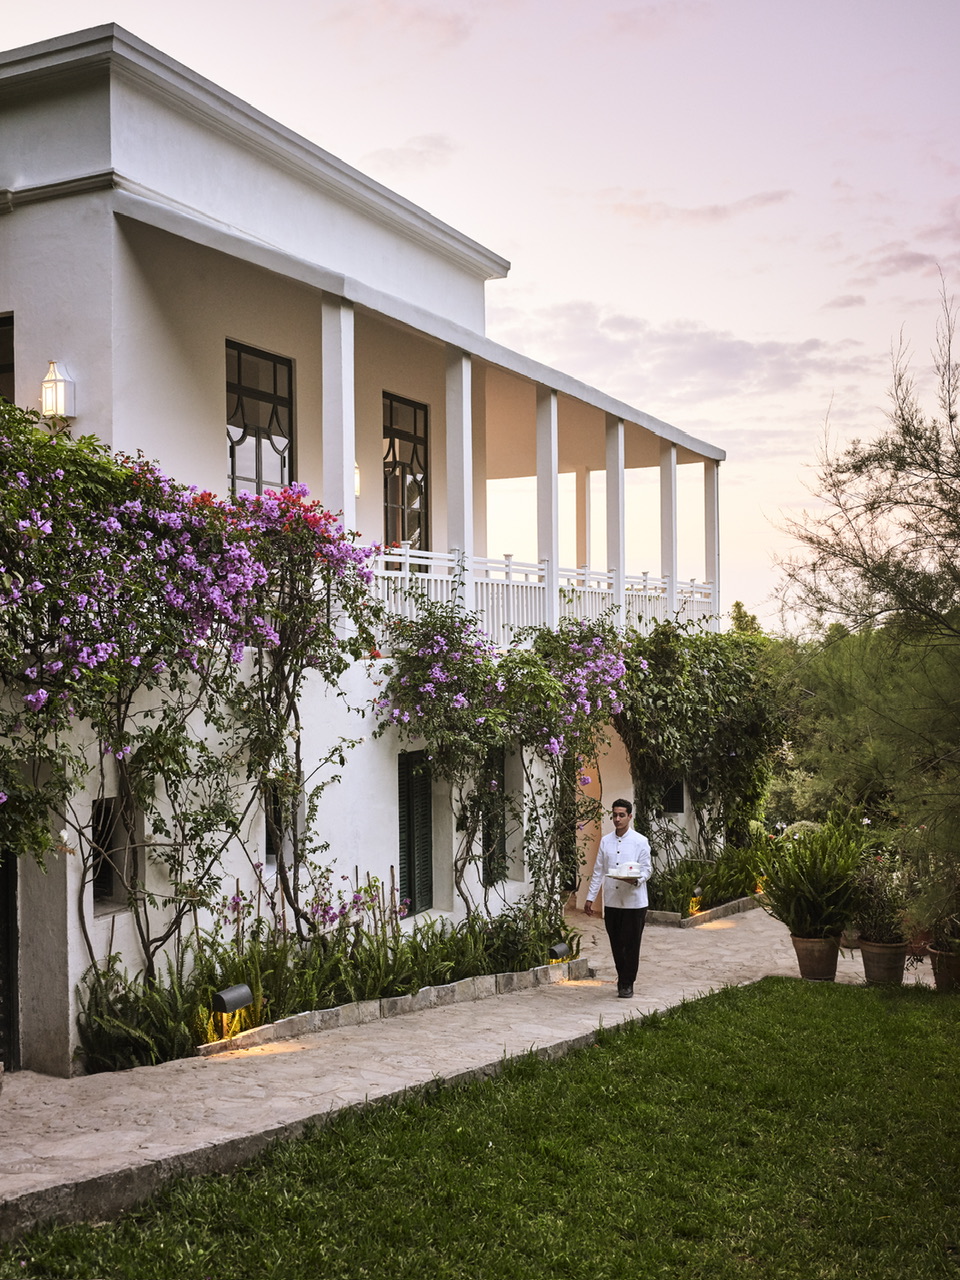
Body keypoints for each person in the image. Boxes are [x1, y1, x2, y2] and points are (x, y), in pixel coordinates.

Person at [584, 798, 652, 998]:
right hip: (612, 901)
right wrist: (590, 897)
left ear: (629, 816)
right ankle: (622, 976)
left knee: (631, 944)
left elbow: (647, 869)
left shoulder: (640, 841)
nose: (617, 819)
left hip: (634, 902)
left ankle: (627, 982)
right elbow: (599, 870)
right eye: (614, 815)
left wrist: (637, 880)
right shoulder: (606, 841)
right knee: (616, 943)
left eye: (621, 815)